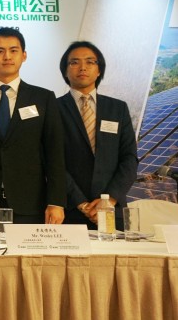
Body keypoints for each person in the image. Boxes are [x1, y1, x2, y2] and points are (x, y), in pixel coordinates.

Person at [0, 27, 66, 225]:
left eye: (13, 50)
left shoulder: (43, 98)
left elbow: (55, 153)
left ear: (24, 56)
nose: (7, 56)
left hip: (31, 203)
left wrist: (56, 201)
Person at [57, 41, 137, 229]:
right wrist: (81, 203)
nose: (82, 67)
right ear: (65, 71)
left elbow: (129, 158)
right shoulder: (52, 109)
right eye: (74, 62)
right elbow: (52, 161)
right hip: (69, 210)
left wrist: (109, 200)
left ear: (99, 70)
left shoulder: (118, 108)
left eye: (90, 62)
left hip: (112, 210)